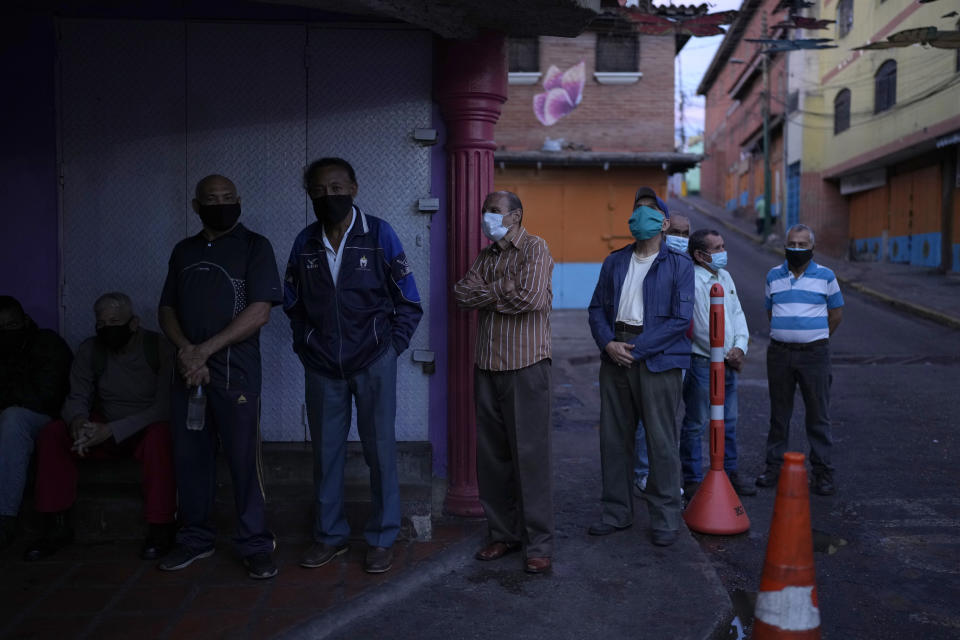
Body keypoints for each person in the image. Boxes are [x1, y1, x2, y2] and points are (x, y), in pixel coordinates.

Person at [284, 158, 422, 575]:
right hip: (323, 365)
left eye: (338, 187)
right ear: (309, 193)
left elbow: (409, 300)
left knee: (380, 451)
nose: (330, 196)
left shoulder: (379, 235)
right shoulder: (305, 242)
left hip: (373, 362)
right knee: (326, 455)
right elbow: (293, 304)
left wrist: (390, 349)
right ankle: (330, 536)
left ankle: (382, 537)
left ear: (355, 188)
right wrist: (307, 345)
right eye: (321, 189)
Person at [158, 174, 283, 579]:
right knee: (190, 460)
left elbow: (260, 310)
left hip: (236, 375)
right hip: (189, 375)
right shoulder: (184, 250)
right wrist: (185, 351)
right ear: (196, 206)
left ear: (239, 201)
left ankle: (255, 544)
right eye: (211, 198)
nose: (220, 203)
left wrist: (204, 350)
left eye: (228, 197)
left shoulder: (254, 247)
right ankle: (195, 538)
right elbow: (167, 310)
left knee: (245, 462)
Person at [24, 292, 177, 561]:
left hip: (142, 428)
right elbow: (76, 397)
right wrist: (79, 423)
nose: (108, 329)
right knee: (52, 435)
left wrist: (113, 430)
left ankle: (160, 528)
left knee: (161, 437)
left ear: (133, 323)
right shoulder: (90, 350)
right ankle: (55, 525)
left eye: (114, 321)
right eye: (101, 323)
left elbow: (164, 408)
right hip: (102, 428)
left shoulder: (158, 348)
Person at [454, 190, 555, 575]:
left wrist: (487, 295)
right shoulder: (486, 256)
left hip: (526, 366)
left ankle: (538, 543)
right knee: (492, 459)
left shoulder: (534, 248)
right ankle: (503, 534)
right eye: (484, 210)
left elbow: (529, 298)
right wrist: (501, 289)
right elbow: (461, 295)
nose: (486, 217)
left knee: (530, 458)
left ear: (515, 216)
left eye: (493, 211)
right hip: (488, 367)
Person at [587, 187, 694, 547]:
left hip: (657, 359)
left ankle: (665, 517)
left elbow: (680, 320)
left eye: (649, 209)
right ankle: (616, 513)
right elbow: (596, 309)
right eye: (637, 209)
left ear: (663, 222)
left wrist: (637, 350)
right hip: (616, 353)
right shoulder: (614, 261)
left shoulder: (680, 265)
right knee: (613, 440)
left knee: (661, 441)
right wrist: (607, 343)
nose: (640, 215)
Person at [756, 224, 843, 496]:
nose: (796, 248)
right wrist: (789, 334)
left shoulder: (826, 276)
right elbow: (771, 311)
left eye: (802, 244)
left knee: (818, 416)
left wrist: (814, 336)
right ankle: (773, 468)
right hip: (780, 354)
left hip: (814, 355)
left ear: (812, 247)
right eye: (791, 243)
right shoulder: (773, 276)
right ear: (785, 245)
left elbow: (836, 314)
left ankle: (823, 473)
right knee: (779, 415)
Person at [678, 230, 756, 498]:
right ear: (700, 255)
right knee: (697, 423)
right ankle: (692, 480)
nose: (724, 252)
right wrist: (726, 353)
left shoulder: (725, 276)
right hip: (702, 364)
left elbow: (737, 314)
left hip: (728, 362)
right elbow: (700, 325)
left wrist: (740, 347)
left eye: (724, 246)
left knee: (729, 421)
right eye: (717, 248)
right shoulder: (693, 280)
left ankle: (729, 472)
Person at [0, 296, 72, 549]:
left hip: (43, 418)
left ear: (24, 321)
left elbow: (47, 396)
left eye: (11, 325)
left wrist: (10, 396)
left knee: (12, 419)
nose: (6, 332)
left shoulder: (47, 344)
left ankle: (5, 518)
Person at [634, 211, 690, 494]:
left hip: (687, 356)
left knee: (675, 420)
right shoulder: (653, 266)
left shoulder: (687, 266)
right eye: (675, 232)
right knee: (649, 420)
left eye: (685, 233)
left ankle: (672, 477)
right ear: (663, 230)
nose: (680, 239)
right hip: (656, 354)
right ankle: (645, 474)